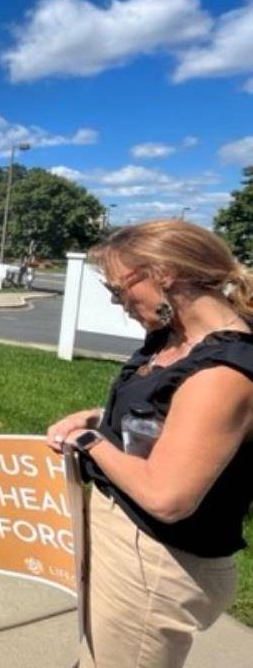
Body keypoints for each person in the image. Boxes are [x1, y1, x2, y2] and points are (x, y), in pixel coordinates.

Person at [45, 220, 253, 668]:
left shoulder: (224, 372)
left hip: (156, 558)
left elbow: (167, 496)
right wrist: (100, 419)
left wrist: (89, 442)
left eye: (120, 290)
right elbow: (168, 422)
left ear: (163, 272)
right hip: (126, 537)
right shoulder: (173, 339)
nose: (120, 304)